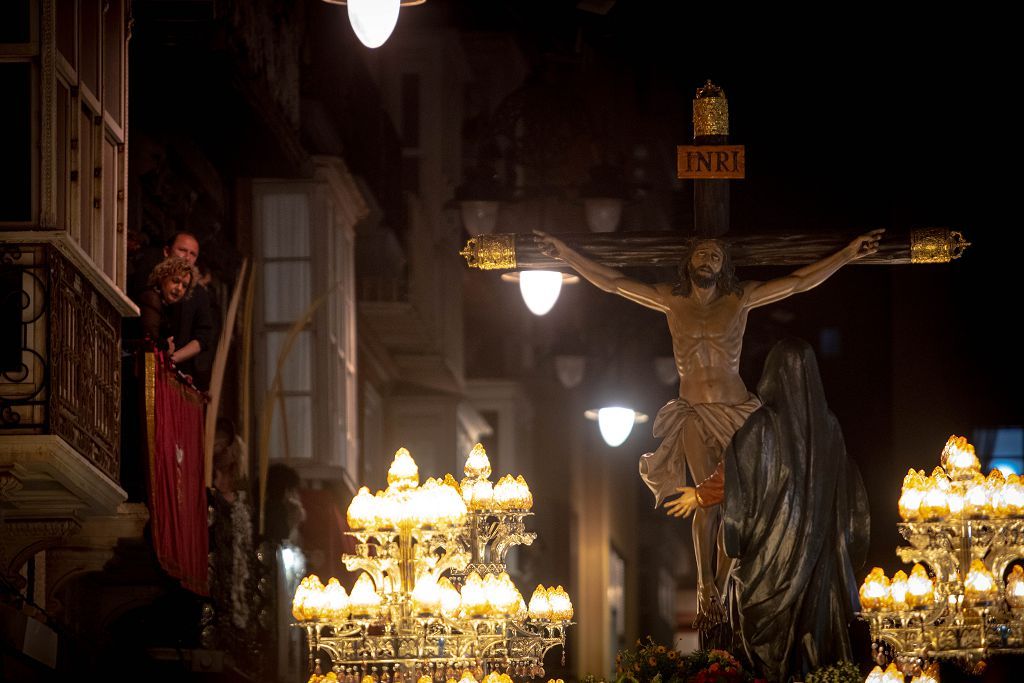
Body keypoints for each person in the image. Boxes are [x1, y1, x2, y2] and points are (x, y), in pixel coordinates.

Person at [535, 228, 883, 636]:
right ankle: (704, 583)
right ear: (689, 261)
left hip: (736, 411)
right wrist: (565, 254)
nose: (709, 261)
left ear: (725, 266)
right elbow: (612, 283)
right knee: (705, 497)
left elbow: (798, 282)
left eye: (716, 257)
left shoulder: (740, 299)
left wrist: (845, 254)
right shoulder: (671, 300)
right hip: (694, 412)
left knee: (737, 499)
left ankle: (721, 587)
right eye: (702, 254)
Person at [721, 338, 869, 681]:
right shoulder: (830, 429)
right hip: (822, 577)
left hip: (765, 576)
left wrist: (734, 542)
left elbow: (736, 512)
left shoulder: (759, 428)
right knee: (817, 662)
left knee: (764, 666)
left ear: (771, 374)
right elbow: (851, 508)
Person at [136, 256, 212, 385]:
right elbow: (150, 339)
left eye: (184, 286)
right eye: (175, 281)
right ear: (162, 278)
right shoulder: (152, 297)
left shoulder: (168, 306)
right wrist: (166, 346)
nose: (179, 288)